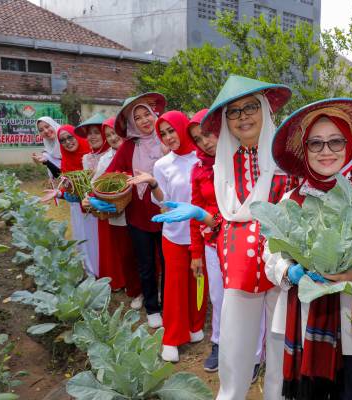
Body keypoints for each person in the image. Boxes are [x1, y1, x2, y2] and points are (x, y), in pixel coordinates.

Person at [153, 75, 297, 399]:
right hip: (240, 270)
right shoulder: (224, 166)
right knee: (234, 350)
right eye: (234, 112)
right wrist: (201, 216)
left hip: (285, 267)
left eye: (250, 107)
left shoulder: (288, 159)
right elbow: (228, 224)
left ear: (265, 110)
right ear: (225, 122)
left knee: (281, 350)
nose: (243, 116)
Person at [264, 98, 352, 399]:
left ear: (349, 146)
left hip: (350, 320)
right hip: (299, 318)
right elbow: (269, 255)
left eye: (335, 141)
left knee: (346, 390)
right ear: (305, 151)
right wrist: (289, 270)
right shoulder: (291, 198)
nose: (326, 151)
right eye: (315, 144)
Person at [128, 110, 206, 362]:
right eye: (163, 133)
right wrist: (153, 184)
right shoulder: (162, 165)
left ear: (183, 128)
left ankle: (195, 326)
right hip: (174, 234)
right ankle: (172, 337)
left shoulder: (202, 158)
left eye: (172, 130)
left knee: (198, 281)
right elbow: (164, 202)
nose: (169, 137)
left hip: (203, 233)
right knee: (173, 287)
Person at [92, 93, 167, 328]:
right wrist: (92, 196)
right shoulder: (128, 147)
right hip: (138, 215)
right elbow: (108, 176)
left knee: (168, 262)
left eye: (147, 114)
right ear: (132, 124)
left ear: (155, 115)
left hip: (168, 212)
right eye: (138, 118)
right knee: (145, 262)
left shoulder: (168, 139)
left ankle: (168, 300)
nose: (145, 120)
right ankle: (152, 307)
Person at [87, 117, 142, 304]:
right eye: (108, 135)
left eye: (114, 132)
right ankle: (136, 292)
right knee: (127, 255)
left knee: (144, 253)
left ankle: (150, 288)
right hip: (117, 214)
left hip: (140, 212)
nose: (112, 137)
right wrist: (95, 200)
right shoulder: (105, 160)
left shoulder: (137, 149)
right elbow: (95, 185)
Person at [186, 109, 225, 372]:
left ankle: (254, 351)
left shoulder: (240, 161)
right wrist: (196, 254)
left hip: (242, 244)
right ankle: (219, 343)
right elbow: (195, 212)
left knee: (245, 298)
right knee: (218, 297)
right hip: (211, 243)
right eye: (198, 139)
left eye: (208, 134)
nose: (205, 142)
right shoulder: (198, 169)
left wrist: (217, 220)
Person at [41, 125, 95, 275]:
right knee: (85, 241)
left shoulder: (92, 156)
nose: (68, 142)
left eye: (70, 137)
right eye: (63, 140)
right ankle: (91, 272)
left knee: (98, 242)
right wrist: (59, 193)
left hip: (98, 210)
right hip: (79, 210)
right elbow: (68, 188)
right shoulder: (66, 160)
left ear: (76, 136)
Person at [74, 113, 110, 278]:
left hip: (112, 205)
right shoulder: (86, 158)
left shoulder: (112, 153)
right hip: (94, 206)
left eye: (96, 132)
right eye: (89, 133)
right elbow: (87, 183)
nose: (92, 136)